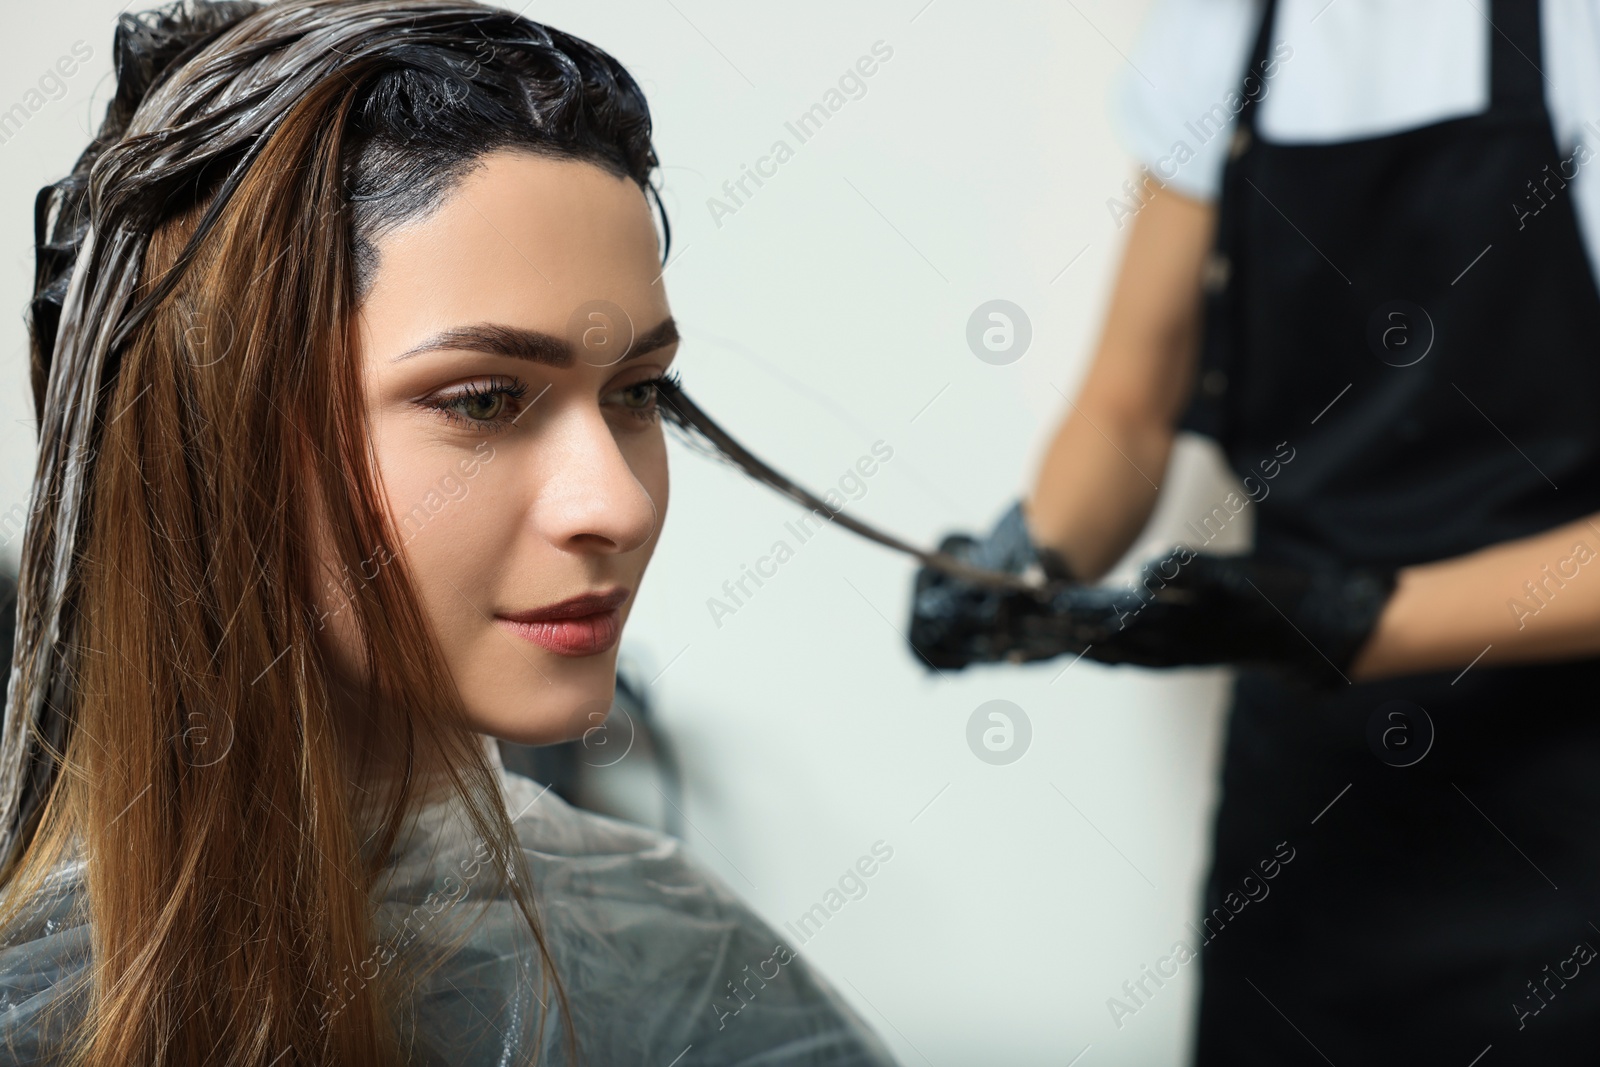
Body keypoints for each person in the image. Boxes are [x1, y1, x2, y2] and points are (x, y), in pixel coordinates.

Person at [0, 2, 900, 1063]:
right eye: (482, 400)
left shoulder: (689, 979)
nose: (614, 504)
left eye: (637, 390)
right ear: (209, 429)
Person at [910, 0, 1600, 1062]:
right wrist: (1031, 559)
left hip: (1565, 808)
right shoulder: (1222, 32)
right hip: (1310, 820)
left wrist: (1352, 618)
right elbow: (1126, 411)